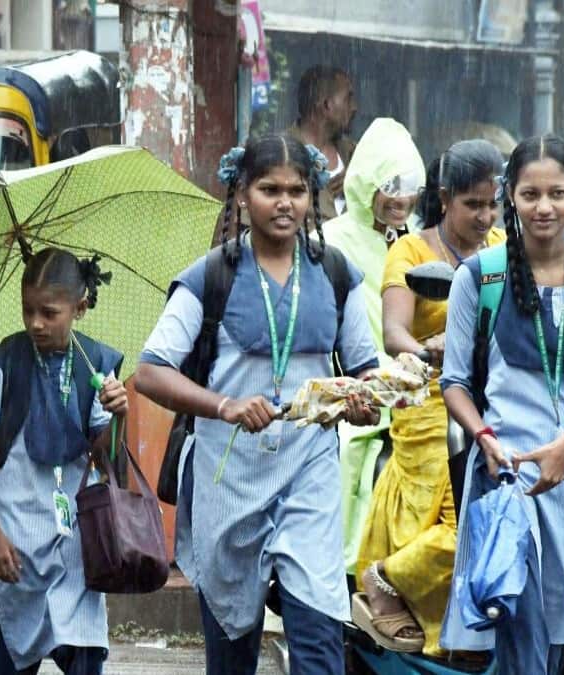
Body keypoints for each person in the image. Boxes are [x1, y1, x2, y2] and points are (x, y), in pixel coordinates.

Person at [133, 134, 381, 674]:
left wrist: (366, 400)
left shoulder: (336, 273)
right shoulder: (211, 275)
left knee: (317, 636)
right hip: (229, 476)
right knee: (231, 643)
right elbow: (149, 372)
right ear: (242, 193)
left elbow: (366, 370)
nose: (285, 202)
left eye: (297, 189)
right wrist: (224, 405)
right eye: (270, 189)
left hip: (308, 471)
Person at [440, 134, 564, 674]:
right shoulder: (479, 277)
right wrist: (483, 437)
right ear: (510, 194)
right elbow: (454, 381)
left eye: (557, 193)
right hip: (508, 477)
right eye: (530, 194)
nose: (543, 207)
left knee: (550, 639)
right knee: (521, 625)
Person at [353, 140, 507, 656]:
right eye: (473, 204)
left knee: (503, 517)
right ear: (445, 198)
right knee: (460, 523)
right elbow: (394, 331)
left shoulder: (506, 247)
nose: (485, 216)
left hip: (494, 401)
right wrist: (427, 348)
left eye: (492, 203)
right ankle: (383, 579)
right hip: (429, 402)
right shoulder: (413, 251)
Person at [0, 247, 129, 674]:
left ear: (80, 307)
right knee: (12, 661)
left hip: (76, 542)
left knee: (85, 659)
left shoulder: (98, 365)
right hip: (14, 538)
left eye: (49, 312)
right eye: (28, 310)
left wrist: (120, 416)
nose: (36, 322)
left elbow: (106, 458)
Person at [321, 117, 426, 572]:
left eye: (409, 185)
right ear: (366, 184)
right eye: (390, 185)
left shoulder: (420, 242)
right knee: (348, 453)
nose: (401, 198)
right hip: (355, 386)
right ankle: (339, 572)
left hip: (418, 385)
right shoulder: (331, 242)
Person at [289, 65, 358, 220]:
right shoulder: (280, 153)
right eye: (348, 99)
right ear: (326, 105)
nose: (354, 108)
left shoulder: (354, 155)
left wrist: (358, 182)